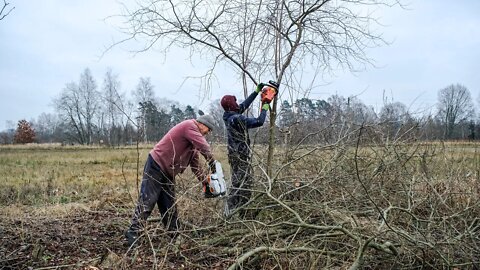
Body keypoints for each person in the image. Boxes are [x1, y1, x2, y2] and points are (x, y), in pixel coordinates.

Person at [125, 115, 217, 246]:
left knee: (169, 205)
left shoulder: (193, 142)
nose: (207, 133)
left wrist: (206, 182)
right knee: (148, 200)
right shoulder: (190, 126)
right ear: (203, 124)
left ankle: (174, 235)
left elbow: (196, 165)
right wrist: (213, 164)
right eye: (208, 130)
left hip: (168, 172)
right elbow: (204, 147)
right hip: (156, 165)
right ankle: (133, 232)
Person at [221, 83, 271, 217]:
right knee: (240, 183)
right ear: (232, 105)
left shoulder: (228, 115)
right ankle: (229, 211)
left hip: (233, 154)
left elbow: (244, 105)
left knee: (243, 181)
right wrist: (265, 106)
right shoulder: (236, 119)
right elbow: (259, 122)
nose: (238, 104)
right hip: (240, 155)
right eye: (235, 102)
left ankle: (240, 209)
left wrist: (256, 92)